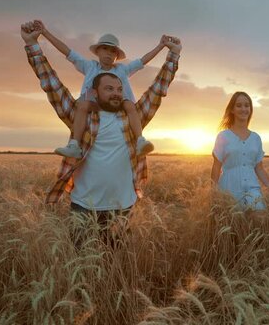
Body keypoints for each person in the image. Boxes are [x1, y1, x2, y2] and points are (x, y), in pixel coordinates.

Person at [20, 21, 181, 236]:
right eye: (108, 89)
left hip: (123, 208)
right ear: (94, 93)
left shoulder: (133, 119)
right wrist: (33, 45)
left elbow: (159, 88)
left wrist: (173, 55)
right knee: (82, 262)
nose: (116, 93)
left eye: (119, 89)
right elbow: (50, 82)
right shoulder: (81, 116)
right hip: (84, 207)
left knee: (116, 265)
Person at [33, 19, 169, 158]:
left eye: (113, 51)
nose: (109, 53)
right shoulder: (89, 66)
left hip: (118, 103)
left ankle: (140, 140)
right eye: (105, 49)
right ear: (97, 51)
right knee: (82, 104)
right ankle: (75, 145)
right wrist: (45, 32)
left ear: (117, 56)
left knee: (129, 105)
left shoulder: (122, 69)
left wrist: (160, 46)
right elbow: (67, 51)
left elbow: (143, 61)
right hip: (92, 102)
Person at [211, 92, 269, 210]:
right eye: (239, 105)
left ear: (250, 109)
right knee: (233, 225)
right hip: (229, 189)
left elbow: (259, 168)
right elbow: (216, 166)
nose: (243, 109)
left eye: (247, 105)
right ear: (232, 110)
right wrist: (213, 192)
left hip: (252, 189)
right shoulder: (223, 136)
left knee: (259, 217)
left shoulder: (256, 138)